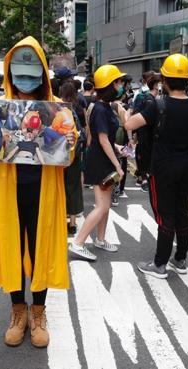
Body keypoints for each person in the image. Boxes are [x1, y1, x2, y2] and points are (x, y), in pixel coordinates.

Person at [0, 36, 76, 348]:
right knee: (13, 249)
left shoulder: (58, 110)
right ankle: (18, 312)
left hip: (44, 192)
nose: (26, 82)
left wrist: (70, 141)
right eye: (20, 73)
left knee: (41, 249)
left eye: (33, 74)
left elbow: (66, 156)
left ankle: (39, 312)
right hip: (11, 191)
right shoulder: (0, 110)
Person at [125, 54, 188, 279]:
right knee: (182, 212)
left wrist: (127, 112)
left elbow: (130, 124)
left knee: (165, 215)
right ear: (187, 79)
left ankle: (159, 264)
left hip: (163, 167)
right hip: (185, 166)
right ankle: (180, 259)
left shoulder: (158, 105)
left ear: (164, 79)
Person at [68, 64, 127, 261]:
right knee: (102, 205)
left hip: (103, 158)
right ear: (110, 85)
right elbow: (101, 139)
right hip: (100, 161)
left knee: (106, 204)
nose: (121, 85)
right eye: (118, 82)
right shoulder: (101, 109)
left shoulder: (104, 107)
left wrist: (117, 149)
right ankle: (78, 242)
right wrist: (118, 165)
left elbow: (105, 139)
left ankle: (100, 240)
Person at [60, 82, 85, 236]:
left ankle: (61, 218)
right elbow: (83, 131)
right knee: (74, 187)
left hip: (58, 155)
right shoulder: (78, 108)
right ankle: (73, 223)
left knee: (59, 186)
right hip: (74, 154)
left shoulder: (56, 108)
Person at [132, 71, 159, 193]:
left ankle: (144, 177)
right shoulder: (148, 99)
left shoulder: (147, 97)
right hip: (146, 132)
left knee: (145, 154)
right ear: (155, 85)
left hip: (145, 132)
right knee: (146, 155)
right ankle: (144, 179)